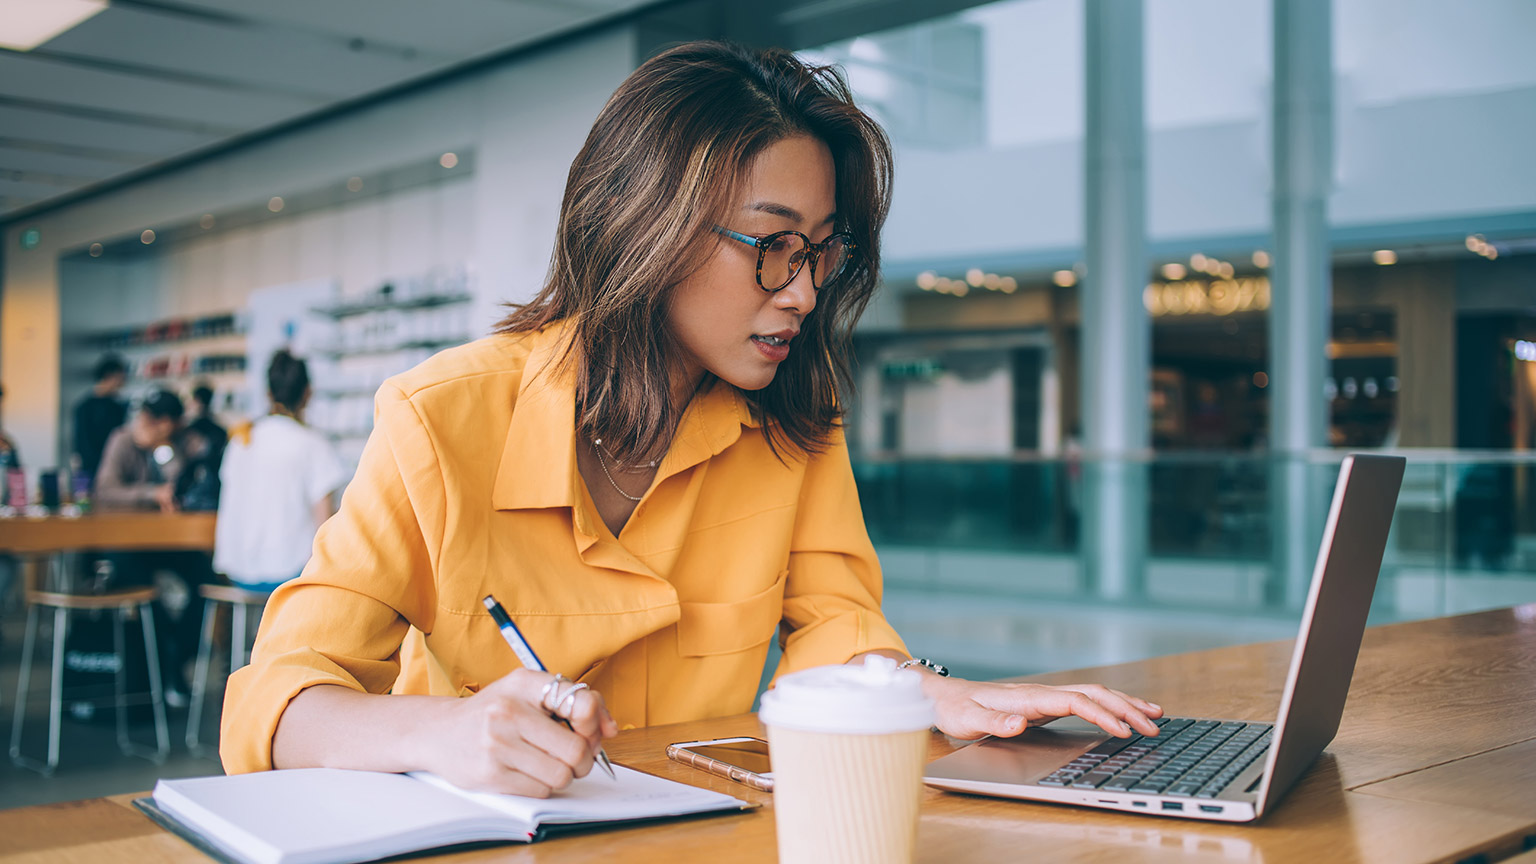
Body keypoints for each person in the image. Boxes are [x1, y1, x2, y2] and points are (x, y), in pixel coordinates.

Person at [223, 42, 1162, 794]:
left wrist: (931, 692)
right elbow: (276, 698)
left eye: (823, 251)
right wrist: (442, 733)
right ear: (647, 225)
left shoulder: (796, 422)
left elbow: (833, 624)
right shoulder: (442, 417)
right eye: (773, 245)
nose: (803, 291)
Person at [96, 389, 217, 704]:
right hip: (126, 542)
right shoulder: (122, 439)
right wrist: (150, 493)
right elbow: (105, 490)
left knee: (207, 579)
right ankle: (167, 663)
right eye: (146, 416)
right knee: (147, 595)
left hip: (170, 540)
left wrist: (166, 450)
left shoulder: (182, 443)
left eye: (158, 420)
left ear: (172, 423)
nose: (146, 422)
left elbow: (188, 482)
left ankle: (179, 652)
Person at [214, 351, 345, 591]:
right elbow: (324, 526)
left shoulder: (241, 440)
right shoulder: (313, 443)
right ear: (308, 393)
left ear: (268, 392)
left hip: (238, 573)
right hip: (290, 575)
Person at [74, 354, 129, 489]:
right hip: (91, 466)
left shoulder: (118, 407)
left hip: (114, 464)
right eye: (121, 375)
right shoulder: (85, 407)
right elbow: (81, 441)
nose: (124, 380)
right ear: (110, 375)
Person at [175, 383, 229, 512]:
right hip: (216, 488)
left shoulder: (189, 431)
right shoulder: (220, 430)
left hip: (192, 487)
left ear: (197, 400)